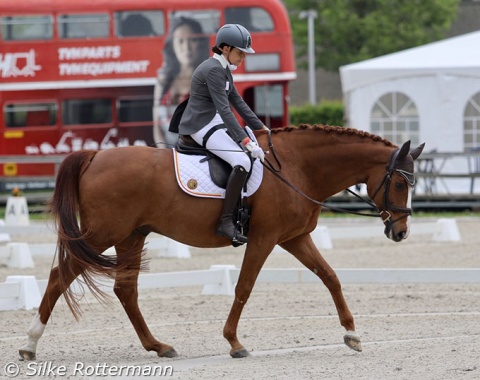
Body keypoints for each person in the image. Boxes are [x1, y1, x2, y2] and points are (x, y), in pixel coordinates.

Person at [178, 24, 269, 244]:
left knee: (244, 156)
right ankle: (226, 222)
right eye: (240, 53)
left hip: (212, 120)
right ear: (225, 48)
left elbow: (237, 100)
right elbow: (225, 109)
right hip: (200, 124)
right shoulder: (213, 70)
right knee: (242, 161)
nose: (242, 58)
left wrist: (261, 128)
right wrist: (246, 141)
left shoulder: (223, 67)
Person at [153, 17, 209, 146]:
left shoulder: (207, 78)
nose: (187, 47)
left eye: (193, 40)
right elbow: (156, 126)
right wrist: (164, 154)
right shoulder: (163, 80)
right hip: (167, 155)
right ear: (172, 45)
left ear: (200, 43)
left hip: (198, 150)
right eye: (181, 41)